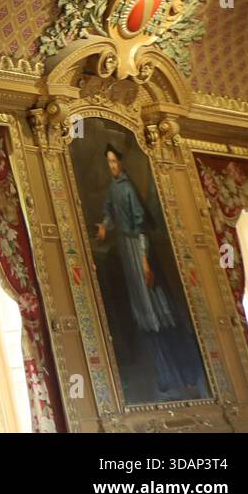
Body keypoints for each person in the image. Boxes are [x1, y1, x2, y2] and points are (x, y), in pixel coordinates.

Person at [94, 144, 205, 401]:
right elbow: (109, 212)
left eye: (114, 161)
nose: (112, 166)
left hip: (138, 249)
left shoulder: (129, 188)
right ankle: (166, 374)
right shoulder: (113, 188)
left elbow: (141, 227)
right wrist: (104, 227)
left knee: (156, 309)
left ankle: (181, 374)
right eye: (108, 162)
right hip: (125, 248)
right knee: (143, 311)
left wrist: (145, 262)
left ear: (121, 162)